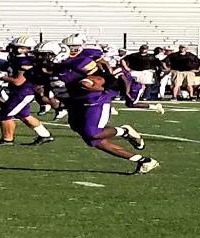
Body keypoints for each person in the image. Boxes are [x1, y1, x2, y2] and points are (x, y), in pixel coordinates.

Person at [55, 34, 159, 175]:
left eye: (75, 47)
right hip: (77, 99)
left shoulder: (87, 57)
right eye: (69, 47)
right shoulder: (58, 63)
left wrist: (104, 83)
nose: (72, 50)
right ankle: (143, 160)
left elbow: (108, 73)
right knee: (90, 138)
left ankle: (124, 131)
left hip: (95, 98)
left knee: (93, 134)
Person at [0, 36, 53, 145]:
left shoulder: (24, 61)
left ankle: (7, 139)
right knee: (24, 115)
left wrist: (0, 76)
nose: (13, 49)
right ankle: (45, 135)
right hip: (21, 91)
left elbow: (18, 81)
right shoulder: (19, 59)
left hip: (23, 92)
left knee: (4, 114)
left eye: (18, 47)